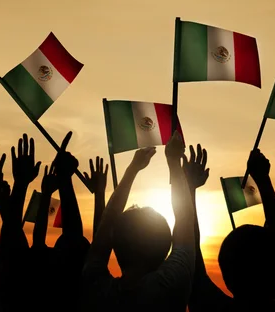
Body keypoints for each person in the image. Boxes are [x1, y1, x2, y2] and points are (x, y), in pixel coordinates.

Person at [81, 131, 196, 312]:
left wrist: (132, 170)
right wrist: (174, 162)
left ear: (116, 244)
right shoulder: (173, 284)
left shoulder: (96, 289)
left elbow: (107, 223)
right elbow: (184, 219)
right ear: (166, 245)